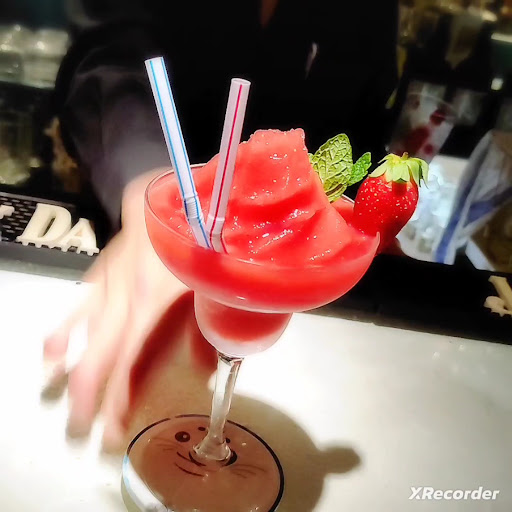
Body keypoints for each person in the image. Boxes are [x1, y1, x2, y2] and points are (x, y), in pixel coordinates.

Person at [44, 0, 399, 450]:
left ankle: (215, 439)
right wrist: (147, 189)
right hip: (152, 221)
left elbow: (365, 123)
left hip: (305, 265)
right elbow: (108, 53)